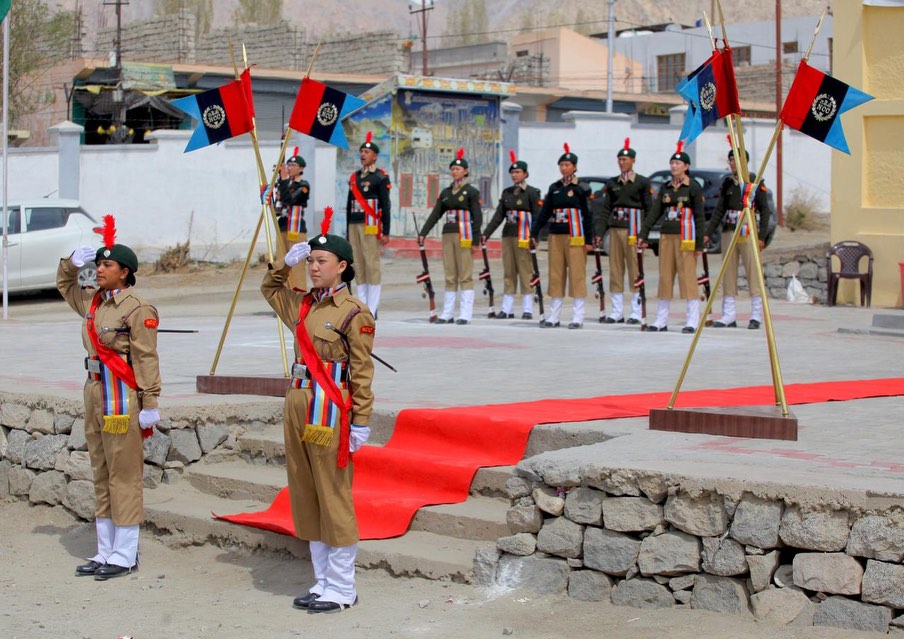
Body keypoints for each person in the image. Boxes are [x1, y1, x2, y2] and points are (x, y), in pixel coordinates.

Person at [262, 207, 374, 614]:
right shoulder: (303, 305)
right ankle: (322, 580)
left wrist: (361, 421)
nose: (313, 267)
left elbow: (362, 370)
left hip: (329, 405)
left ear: (342, 266)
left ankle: (342, 587)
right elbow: (269, 289)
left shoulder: (354, 311)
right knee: (305, 491)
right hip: (297, 400)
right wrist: (284, 263)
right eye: (309, 260)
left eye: (321, 261)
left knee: (332, 493)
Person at [57, 215, 161, 580]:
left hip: (122, 396)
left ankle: (125, 552)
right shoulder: (93, 302)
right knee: (100, 471)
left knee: (124, 474)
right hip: (94, 391)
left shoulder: (138, 308)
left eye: (107, 266)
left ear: (125, 272)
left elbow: (146, 358)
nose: (99, 270)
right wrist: (71, 263)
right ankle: (105, 549)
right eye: (98, 264)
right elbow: (64, 284)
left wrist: (150, 402)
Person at [638, 142, 705, 333]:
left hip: (686, 238)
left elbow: (700, 217)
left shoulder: (693, 187)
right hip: (667, 236)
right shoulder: (666, 188)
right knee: (665, 277)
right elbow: (655, 212)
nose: (674, 166)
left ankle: (692, 320)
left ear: (686, 166)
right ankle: (661, 320)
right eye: (672, 163)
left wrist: (699, 244)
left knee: (688, 278)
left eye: (678, 163)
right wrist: (644, 234)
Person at [704, 145, 772, 329]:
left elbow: (765, 211)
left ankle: (756, 315)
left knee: (753, 272)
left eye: (735, 160)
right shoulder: (727, 183)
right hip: (730, 230)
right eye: (731, 160)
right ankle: (729, 314)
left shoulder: (754, 181)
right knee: (728, 271)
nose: (732, 163)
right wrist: (708, 233)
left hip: (748, 231)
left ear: (744, 161)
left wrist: (761, 236)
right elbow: (719, 210)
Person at [530, 143, 592, 329]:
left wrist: (589, 240)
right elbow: (544, 212)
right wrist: (534, 233)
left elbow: (588, 215)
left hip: (575, 236)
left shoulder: (581, 188)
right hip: (556, 235)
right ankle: (554, 316)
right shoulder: (555, 187)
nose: (564, 168)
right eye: (561, 165)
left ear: (574, 167)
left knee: (576, 274)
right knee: (556, 274)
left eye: (567, 165)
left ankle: (578, 317)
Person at [418, 148, 483, 324]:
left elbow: (477, 217)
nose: (455, 171)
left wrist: (476, 240)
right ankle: (447, 313)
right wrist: (423, 233)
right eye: (453, 169)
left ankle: (465, 313)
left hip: (465, 235)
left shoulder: (471, 192)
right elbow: (436, 214)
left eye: (458, 169)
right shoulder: (446, 193)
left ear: (466, 171)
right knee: (450, 273)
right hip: (448, 235)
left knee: (465, 273)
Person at [594, 138, 652, 325]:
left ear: (633, 161)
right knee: (616, 268)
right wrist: (599, 232)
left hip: (634, 229)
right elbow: (606, 209)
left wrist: (644, 234)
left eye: (625, 159)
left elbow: (649, 209)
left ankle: (636, 311)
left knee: (635, 269)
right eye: (619, 159)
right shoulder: (613, 183)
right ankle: (617, 311)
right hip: (616, 229)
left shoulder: (642, 182)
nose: (622, 162)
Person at [481, 151, 541, 319]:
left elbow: (538, 215)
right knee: (509, 271)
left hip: (524, 237)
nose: (514, 175)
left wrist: (535, 236)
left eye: (518, 172)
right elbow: (499, 215)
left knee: (525, 271)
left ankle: (527, 308)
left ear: (525, 174)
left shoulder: (532, 192)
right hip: (508, 235)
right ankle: (507, 308)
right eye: (512, 172)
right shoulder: (507, 193)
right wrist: (486, 233)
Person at [346, 132, 392, 318]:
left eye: (366, 152)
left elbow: (385, 206)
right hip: (354, 224)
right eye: (361, 152)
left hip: (370, 226)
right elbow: (349, 205)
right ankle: (362, 305)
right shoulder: (354, 177)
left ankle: (372, 307)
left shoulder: (380, 177)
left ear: (374, 156)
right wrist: (347, 231)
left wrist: (386, 231)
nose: (363, 154)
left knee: (371, 264)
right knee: (358, 264)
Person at [277, 148, 311, 290]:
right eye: (288, 165)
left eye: (293, 165)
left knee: (297, 266)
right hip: (283, 227)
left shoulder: (303, 186)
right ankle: (283, 297)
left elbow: (289, 199)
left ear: (301, 168)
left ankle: (299, 296)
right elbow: (278, 206)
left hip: (296, 229)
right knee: (281, 264)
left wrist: (284, 181)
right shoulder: (283, 184)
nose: (290, 168)